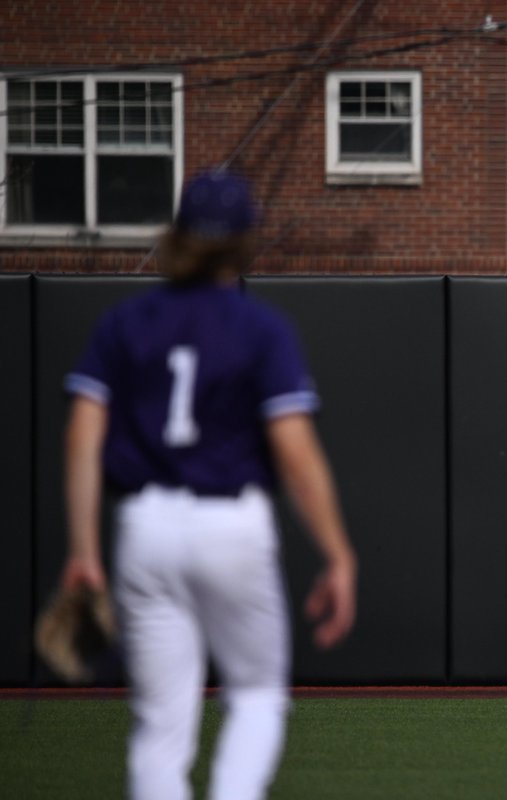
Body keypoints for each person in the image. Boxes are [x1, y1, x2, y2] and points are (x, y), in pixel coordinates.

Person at [56, 169, 357, 800]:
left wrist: (83, 553)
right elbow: (296, 453)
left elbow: (83, 436)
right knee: (255, 697)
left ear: (178, 234)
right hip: (231, 526)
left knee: (160, 731)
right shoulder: (260, 328)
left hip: (145, 527)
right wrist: (336, 553)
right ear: (246, 240)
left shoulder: (125, 322)